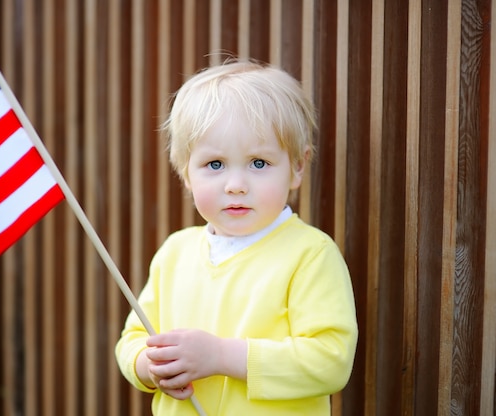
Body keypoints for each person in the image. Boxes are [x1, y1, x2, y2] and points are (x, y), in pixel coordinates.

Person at [115, 59, 358, 415]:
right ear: (185, 172)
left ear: (297, 166)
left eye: (259, 163)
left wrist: (220, 357)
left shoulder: (310, 254)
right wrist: (149, 367)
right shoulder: (175, 253)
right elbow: (133, 339)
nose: (236, 186)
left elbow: (330, 360)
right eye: (215, 164)